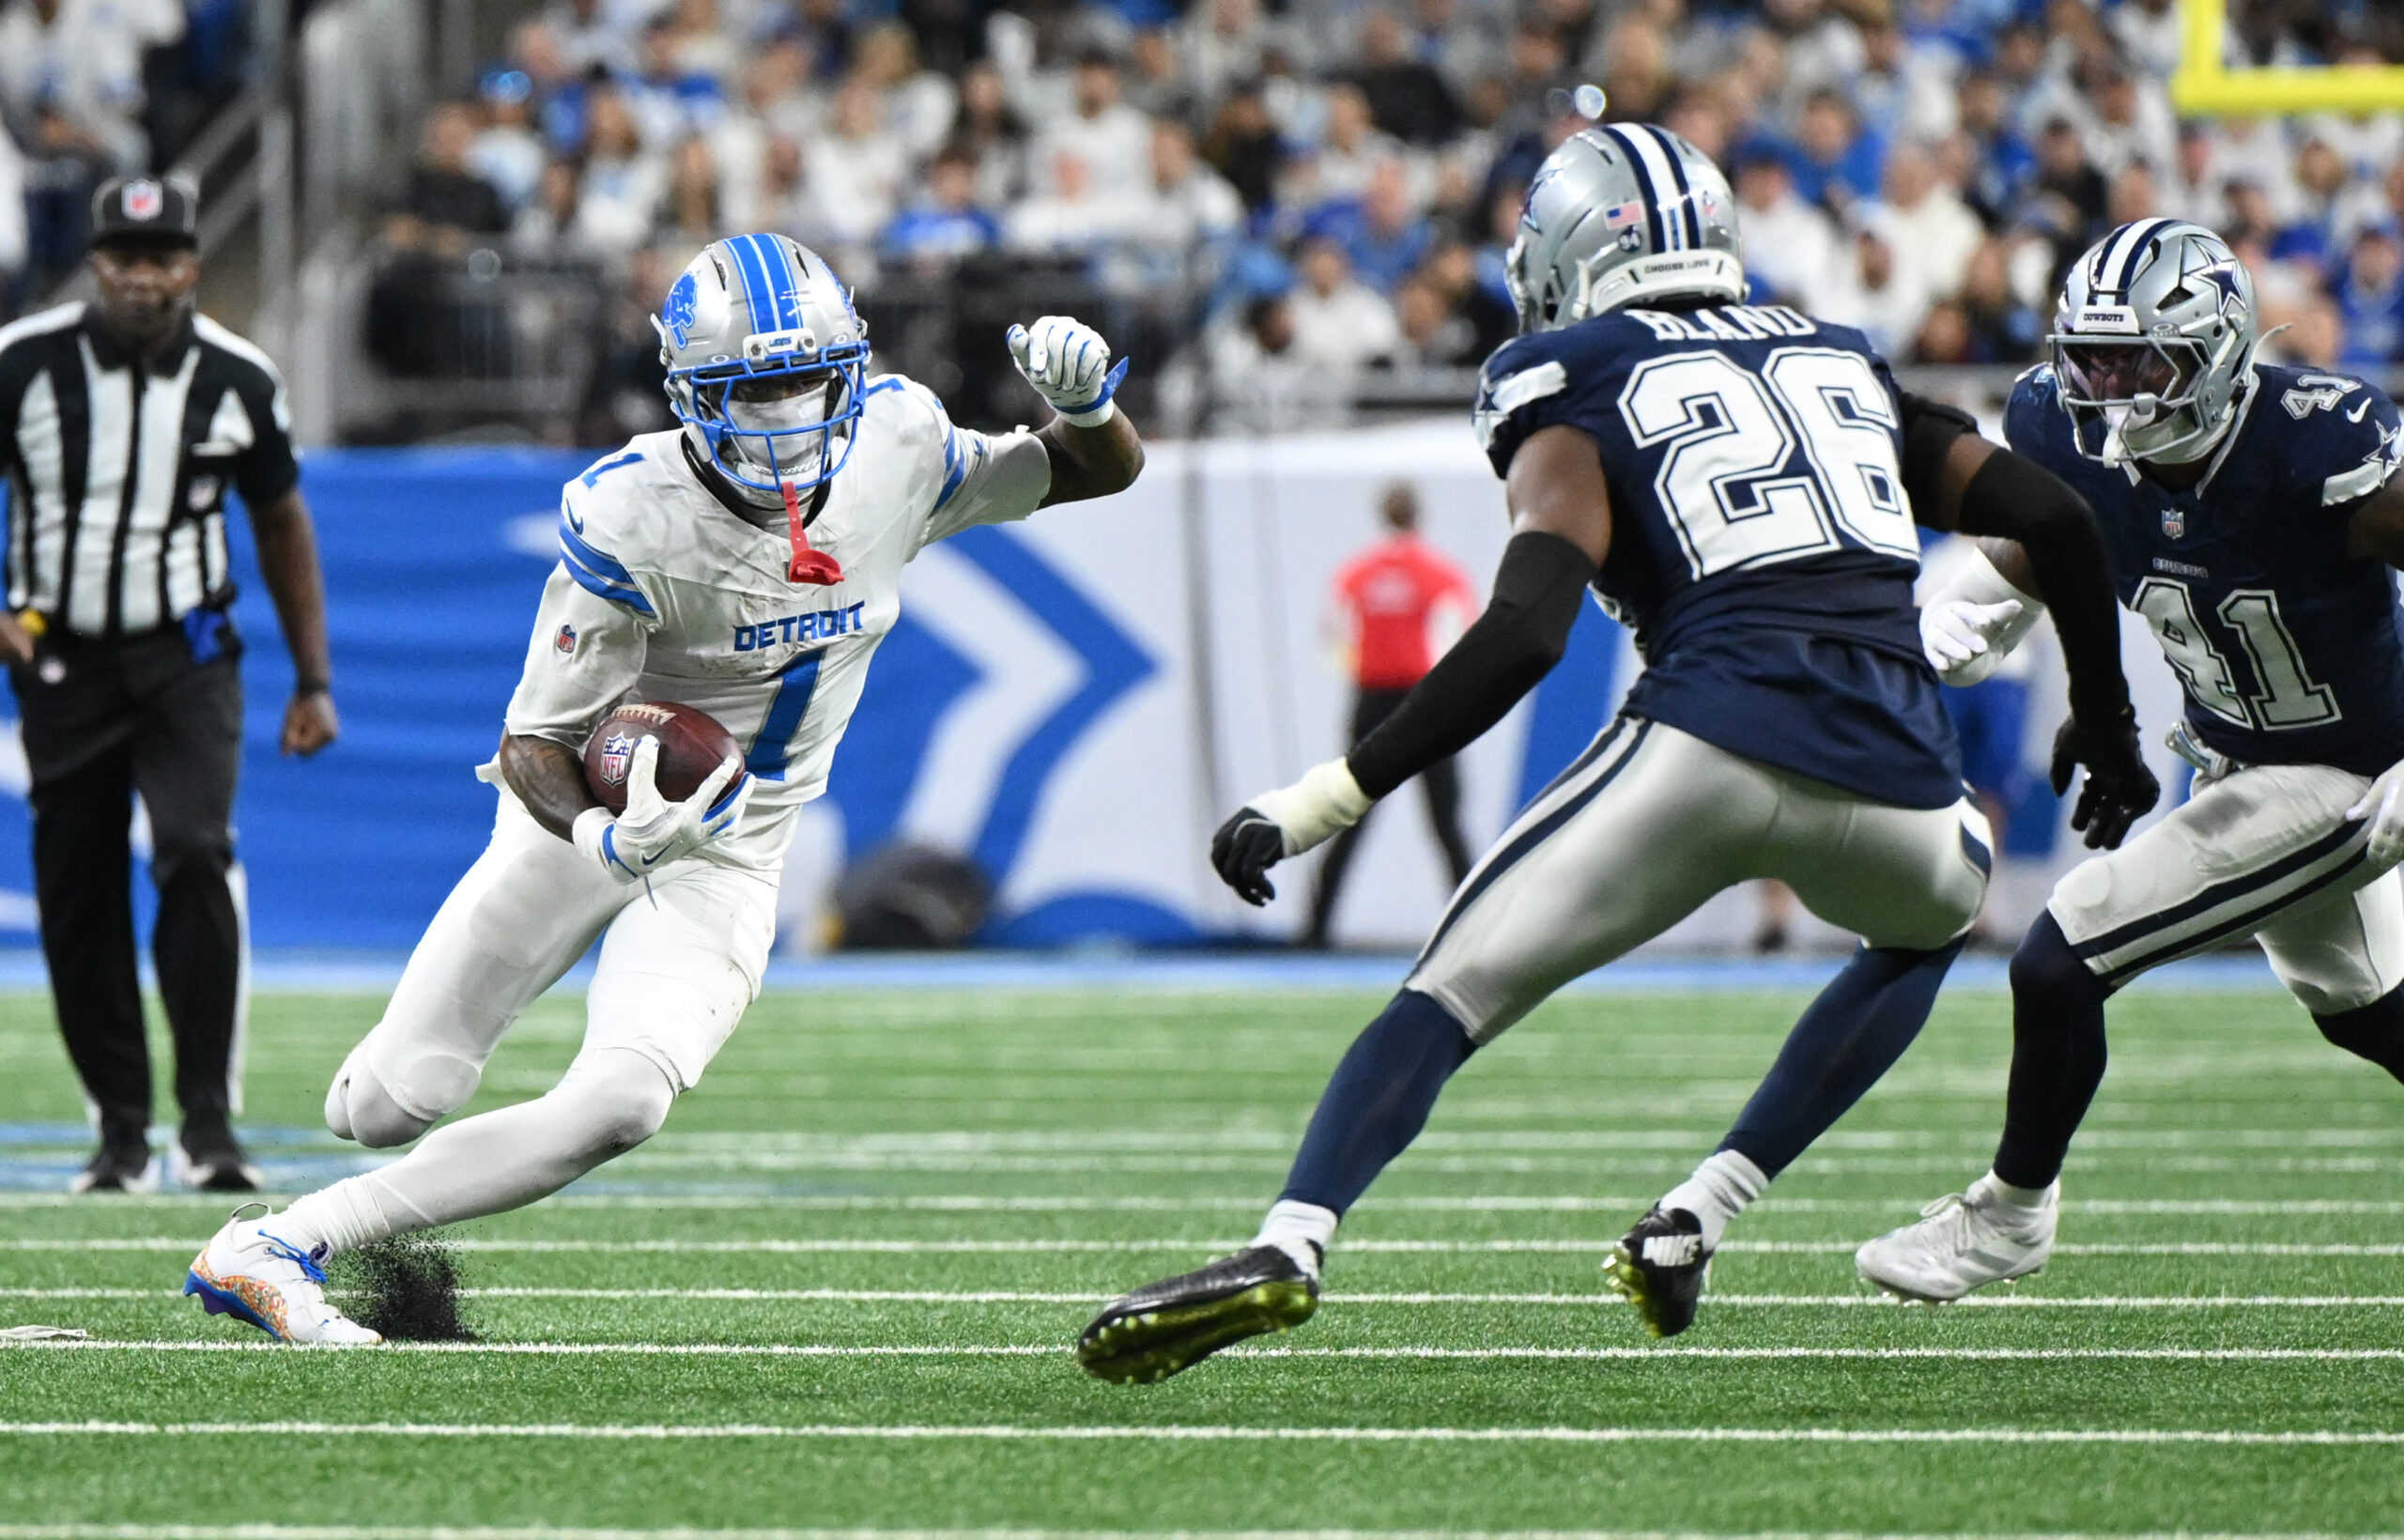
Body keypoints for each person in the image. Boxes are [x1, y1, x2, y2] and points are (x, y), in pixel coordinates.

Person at [1074, 124, 2155, 1383]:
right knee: (1923, 930)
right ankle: (1704, 1208)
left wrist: (1326, 796)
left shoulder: (1566, 372)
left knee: (1443, 999)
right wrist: (2108, 720)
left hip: (1706, 738)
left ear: (1573, 253)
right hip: (1900, 777)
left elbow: (1529, 627)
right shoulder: (1837, 355)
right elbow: (2059, 516)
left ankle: (1291, 1243)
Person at [180, 234, 1144, 1344]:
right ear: (689, 394)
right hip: (589, 810)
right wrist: (602, 835)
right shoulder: (632, 509)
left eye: (803, 382)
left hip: (735, 848)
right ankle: (368, 1118)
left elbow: (1091, 467)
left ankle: (277, 1243)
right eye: (752, 390)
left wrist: (1084, 407)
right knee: (386, 1103)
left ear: (852, 373)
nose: (784, 420)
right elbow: (536, 736)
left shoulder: (899, 441)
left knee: (624, 1099)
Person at [1858, 220, 2404, 1301]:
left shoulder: (2312, 444)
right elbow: (2052, 540)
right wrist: (1979, 605)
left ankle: (2007, 1216)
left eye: (2134, 360)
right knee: (2362, 1006)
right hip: (2239, 756)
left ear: (2214, 350)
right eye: (2087, 356)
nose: (2103, 386)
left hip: (2350, 776)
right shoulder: (2060, 434)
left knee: (2065, 951)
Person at [0, 175, 337, 1193]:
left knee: (194, 851)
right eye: (126, 259)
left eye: (164, 260)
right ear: (97, 264)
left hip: (186, 655)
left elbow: (282, 520)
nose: (145, 279)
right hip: (59, 657)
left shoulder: (237, 377)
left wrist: (313, 676)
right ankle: (120, 1127)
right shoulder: (23, 364)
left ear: (191, 265)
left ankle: (206, 1123)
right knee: (78, 887)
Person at [1304, 483, 1477, 948]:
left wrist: (1362, 667)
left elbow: (1332, 631)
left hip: (1373, 697)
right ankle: (1473, 929)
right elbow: (1462, 632)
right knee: (1447, 820)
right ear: (1418, 515)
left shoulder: (1358, 571)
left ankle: (1314, 930)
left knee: (1349, 812)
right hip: (1424, 699)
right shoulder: (1439, 571)